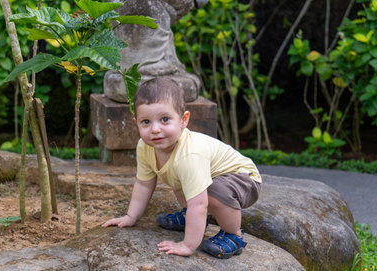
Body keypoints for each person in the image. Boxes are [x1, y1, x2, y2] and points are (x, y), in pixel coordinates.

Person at [101, 77, 261, 259]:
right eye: (146, 122)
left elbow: (200, 205)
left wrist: (188, 245)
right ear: (136, 121)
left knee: (210, 194)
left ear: (183, 120)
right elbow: (144, 185)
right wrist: (131, 217)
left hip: (244, 178)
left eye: (164, 119)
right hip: (213, 178)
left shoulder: (189, 154)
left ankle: (234, 235)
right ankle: (188, 217)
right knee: (181, 179)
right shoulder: (144, 147)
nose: (155, 129)